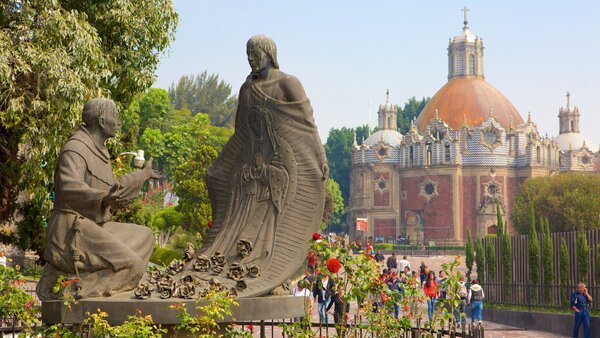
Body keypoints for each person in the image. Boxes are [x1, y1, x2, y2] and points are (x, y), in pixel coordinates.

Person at [184, 34, 328, 297]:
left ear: (269, 54)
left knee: (267, 223)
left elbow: (307, 125)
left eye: (255, 54)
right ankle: (230, 264)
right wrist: (221, 166)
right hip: (250, 168)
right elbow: (240, 134)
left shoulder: (288, 84)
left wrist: (320, 158)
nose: (250, 59)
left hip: (276, 168)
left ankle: (270, 272)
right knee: (232, 216)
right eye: (247, 55)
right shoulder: (247, 88)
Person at [36, 98, 159, 300]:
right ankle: (73, 291)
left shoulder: (100, 151)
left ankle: (94, 280)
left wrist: (142, 175)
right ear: (102, 121)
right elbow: (69, 186)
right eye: (115, 117)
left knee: (145, 236)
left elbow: (113, 187)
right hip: (70, 230)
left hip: (96, 226)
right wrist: (104, 198)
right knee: (134, 264)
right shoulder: (75, 148)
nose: (119, 123)